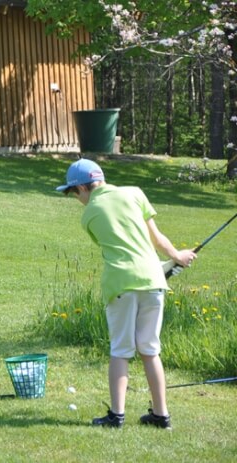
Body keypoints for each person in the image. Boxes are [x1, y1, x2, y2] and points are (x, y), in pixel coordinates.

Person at [56, 158, 197, 429]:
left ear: (83, 189)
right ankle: (161, 415)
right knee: (150, 349)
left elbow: (118, 249)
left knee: (121, 350)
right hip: (154, 280)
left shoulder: (89, 216)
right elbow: (155, 238)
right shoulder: (135, 193)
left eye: (74, 193)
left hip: (120, 283)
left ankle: (116, 416)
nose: (76, 199)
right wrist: (176, 257)